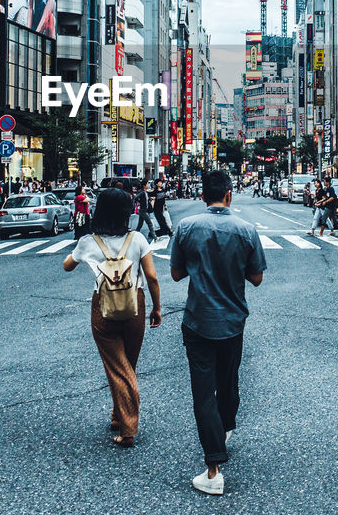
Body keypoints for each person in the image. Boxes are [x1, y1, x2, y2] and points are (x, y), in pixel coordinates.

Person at [169, 170, 266, 496]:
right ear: (229, 195)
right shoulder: (246, 230)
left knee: (202, 392)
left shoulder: (186, 228)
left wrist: (201, 264)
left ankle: (213, 469)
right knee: (228, 381)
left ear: (202, 196)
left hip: (198, 320)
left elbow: (177, 273)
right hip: (232, 321)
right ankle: (222, 432)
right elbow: (256, 278)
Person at [62, 188, 162, 448]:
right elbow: (151, 277)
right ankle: (118, 414)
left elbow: (67, 265)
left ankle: (127, 427)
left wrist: (82, 254)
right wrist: (157, 308)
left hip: (103, 307)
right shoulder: (138, 239)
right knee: (127, 362)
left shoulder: (88, 241)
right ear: (126, 212)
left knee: (116, 365)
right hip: (135, 304)